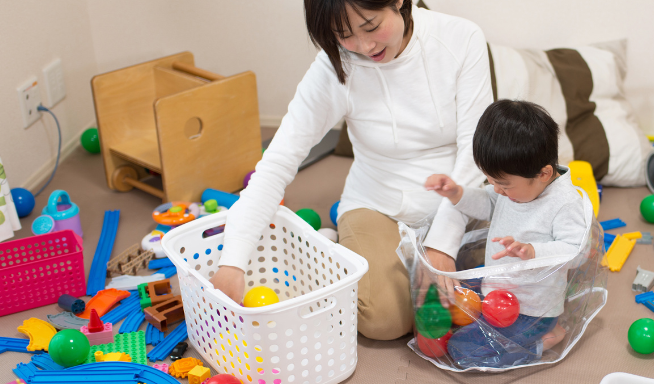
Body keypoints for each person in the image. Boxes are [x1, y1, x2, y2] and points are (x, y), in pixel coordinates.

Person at [210, 0, 492, 341]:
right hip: (378, 204)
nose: (364, 46)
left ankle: (367, 259)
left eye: (371, 27)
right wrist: (233, 262)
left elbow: (476, 151)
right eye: (344, 35)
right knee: (385, 321)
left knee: (519, 279)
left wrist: (443, 244)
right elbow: (278, 161)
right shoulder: (334, 66)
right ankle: (340, 258)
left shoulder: (460, 38)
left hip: (461, 200)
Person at [424, 100, 588, 368]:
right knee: (444, 304)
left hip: (531, 309)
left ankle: (542, 340)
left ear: (544, 174)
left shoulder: (564, 202)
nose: (497, 190)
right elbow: (488, 202)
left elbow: (575, 249)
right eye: (490, 180)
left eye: (503, 185)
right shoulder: (514, 186)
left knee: (461, 350)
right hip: (498, 287)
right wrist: (455, 193)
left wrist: (533, 251)